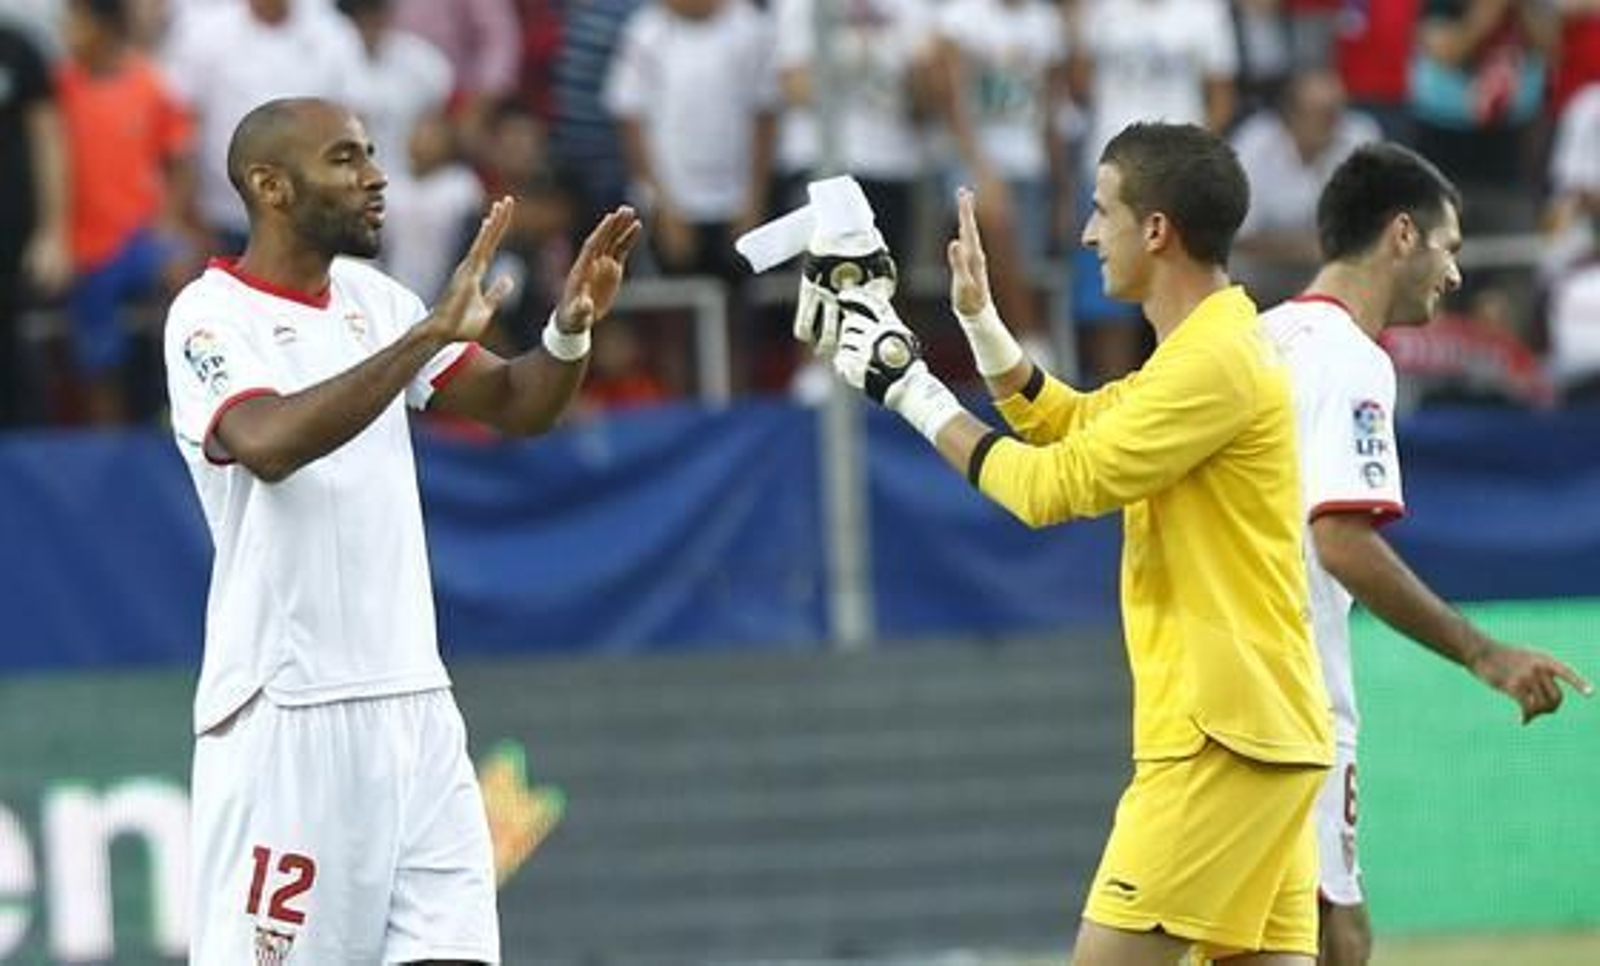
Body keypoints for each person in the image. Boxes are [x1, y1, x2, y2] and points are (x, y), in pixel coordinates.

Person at [821, 121, 1333, 965]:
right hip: (1262, 736)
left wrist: (907, 387)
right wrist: (981, 325)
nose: (1090, 233)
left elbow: (1049, 488)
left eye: (1103, 212)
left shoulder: (1214, 363)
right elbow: (1079, 422)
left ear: (1156, 230)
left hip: (1220, 741)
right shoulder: (1208, 347)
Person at [163, 96, 640, 963]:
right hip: (285, 713)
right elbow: (267, 443)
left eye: (372, 153)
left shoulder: (375, 302)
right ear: (269, 186)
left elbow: (516, 403)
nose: (376, 176)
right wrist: (422, 340)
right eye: (345, 158)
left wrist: (569, 330)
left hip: (415, 707)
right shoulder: (208, 316)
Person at [1258, 141, 1592, 966]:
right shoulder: (1353, 361)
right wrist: (1484, 653)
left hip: (1224, 679)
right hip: (1293, 698)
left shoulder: (1258, 340)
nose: (1454, 275)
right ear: (1402, 234)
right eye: (1449, 247)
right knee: (1334, 937)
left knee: (1287, 933)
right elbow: (1340, 540)